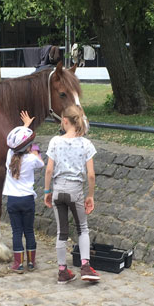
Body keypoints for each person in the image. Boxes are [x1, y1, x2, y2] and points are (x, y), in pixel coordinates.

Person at [44, 105, 98, 284]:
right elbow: (91, 174)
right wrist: (90, 195)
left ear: (64, 121)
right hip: (75, 190)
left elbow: (49, 169)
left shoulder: (55, 141)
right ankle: (85, 266)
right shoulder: (85, 144)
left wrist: (47, 191)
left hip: (58, 190)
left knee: (62, 232)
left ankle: (62, 271)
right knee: (82, 228)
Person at [4, 111, 45, 274]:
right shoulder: (32, 159)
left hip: (13, 201)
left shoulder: (9, 156)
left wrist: (24, 127)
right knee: (29, 231)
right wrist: (35, 149)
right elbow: (41, 163)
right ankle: (32, 263)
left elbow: (15, 144)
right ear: (28, 146)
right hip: (27, 200)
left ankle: (18, 264)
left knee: (16, 232)